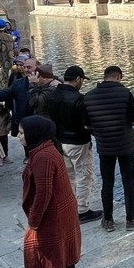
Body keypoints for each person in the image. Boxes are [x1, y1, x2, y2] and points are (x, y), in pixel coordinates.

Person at [19, 116, 82, 268]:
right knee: (64, 248)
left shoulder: (42, 157)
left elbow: (43, 193)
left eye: (21, 133)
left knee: (41, 251)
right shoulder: (48, 148)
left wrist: (34, 221)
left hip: (53, 213)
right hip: (63, 208)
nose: (19, 136)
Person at [85, 65, 134, 231]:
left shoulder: (88, 97)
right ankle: (130, 219)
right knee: (128, 182)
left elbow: (87, 125)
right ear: (118, 77)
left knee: (107, 182)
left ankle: (108, 220)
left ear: (105, 77)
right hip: (126, 145)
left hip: (105, 146)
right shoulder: (125, 93)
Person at [45, 65, 102, 223]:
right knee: (84, 175)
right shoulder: (79, 99)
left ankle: (68, 206)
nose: (82, 83)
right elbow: (87, 124)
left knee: (68, 176)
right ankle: (82, 210)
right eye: (82, 80)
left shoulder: (52, 95)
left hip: (59, 141)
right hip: (78, 142)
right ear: (78, 79)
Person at [0, 18, 15, 88]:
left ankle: (2, 90)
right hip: (9, 59)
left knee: (0, 76)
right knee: (9, 75)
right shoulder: (10, 37)